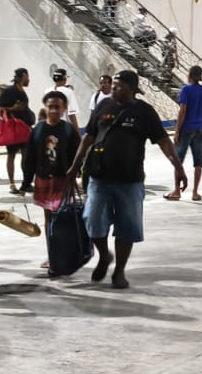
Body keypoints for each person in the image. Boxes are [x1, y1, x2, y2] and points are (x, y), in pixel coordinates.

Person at [68, 69, 187, 289]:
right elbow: (88, 138)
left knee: (127, 227)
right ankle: (104, 256)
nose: (113, 88)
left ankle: (119, 271)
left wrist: (178, 167)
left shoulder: (144, 112)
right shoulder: (103, 107)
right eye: (113, 85)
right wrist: (74, 167)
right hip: (99, 178)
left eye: (119, 86)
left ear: (132, 89)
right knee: (92, 220)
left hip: (130, 180)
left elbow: (163, 141)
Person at [23, 89, 81, 270]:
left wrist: (76, 174)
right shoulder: (38, 129)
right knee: (49, 220)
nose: (54, 110)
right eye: (51, 107)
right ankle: (53, 256)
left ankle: (65, 256)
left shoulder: (68, 130)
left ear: (64, 109)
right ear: (45, 108)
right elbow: (30, 156)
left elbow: (78, 154)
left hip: (63, 181)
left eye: (58, 107)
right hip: (43, 180)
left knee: (63, 220)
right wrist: (26, 181)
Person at [166, 65, 202, 201]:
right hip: (199, 129)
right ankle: (195, 192)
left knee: (178, 160)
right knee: (198, 161)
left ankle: (177, 191)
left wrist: (177, 131)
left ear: (190, 75)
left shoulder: (185, 90)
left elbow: (182, 111)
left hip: (186, 129)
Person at [0, 69, 34, 191]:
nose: (29, 79)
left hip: (25, 129)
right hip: (14, 129)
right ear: (23, 76)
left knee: (26, 156)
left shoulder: (22, 91)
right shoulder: (10, 91)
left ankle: (26, 183)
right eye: (28, 76)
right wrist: (12, 109)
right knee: (11, 155)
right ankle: (12, 184)